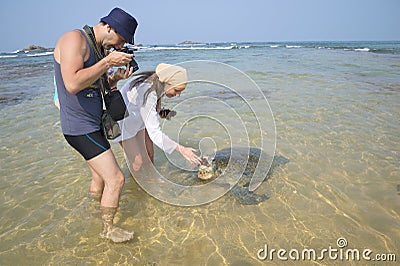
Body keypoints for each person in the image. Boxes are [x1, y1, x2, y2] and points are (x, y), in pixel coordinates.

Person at [53, 7, 138, 243]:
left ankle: (92, 213)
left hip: (91, 123)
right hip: (80, 128)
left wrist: (115, 78)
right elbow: (72, 83)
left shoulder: (99, 48)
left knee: (100, 179)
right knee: (116, 179)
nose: (120, 45)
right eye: (122, 39)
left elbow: (93, 82)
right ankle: (107, 230)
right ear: (109, 27)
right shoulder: (74, 39)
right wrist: (108, 61)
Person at [111, 63, 202, 176]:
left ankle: (151, 179)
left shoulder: (157, 83)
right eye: (177, 90)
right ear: (167, 83)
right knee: (137, 163)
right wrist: (181, 149)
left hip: (138, 120)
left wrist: (161, 112)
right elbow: (155, 134)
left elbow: (147, 109)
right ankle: (136, 188)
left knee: (149, 155)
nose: (178, 95)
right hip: (123, 123)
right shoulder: (147, 91)